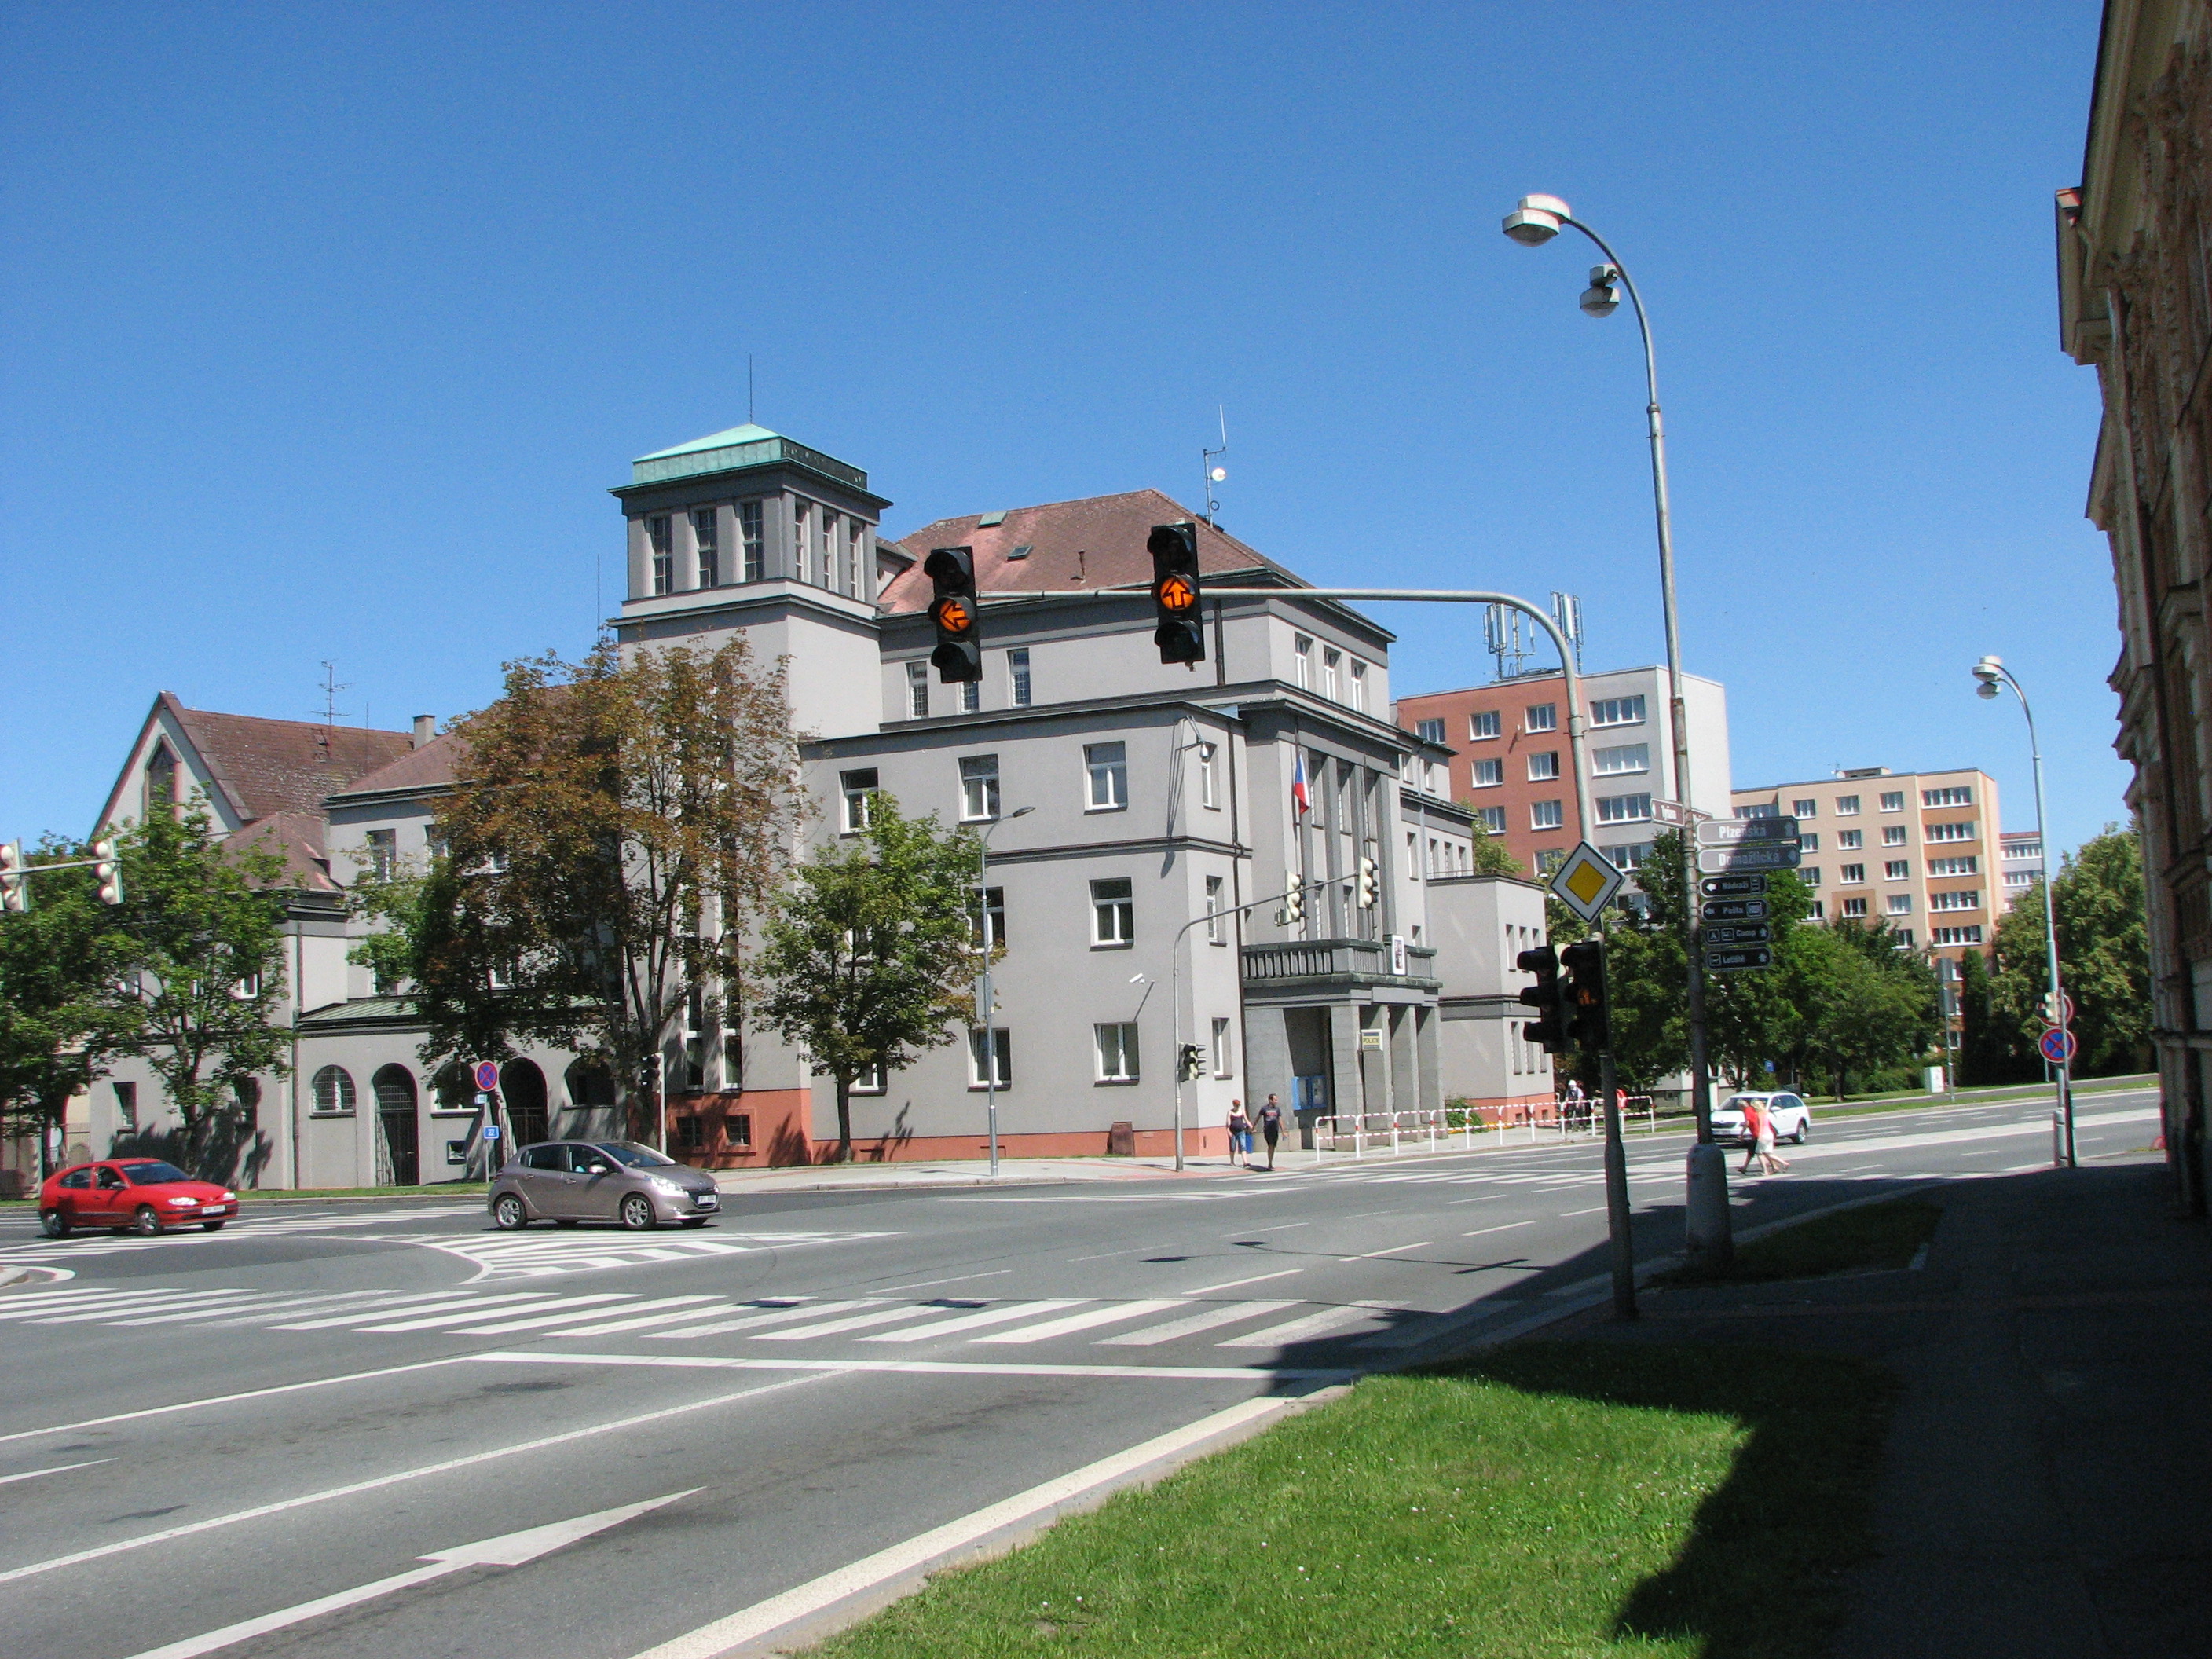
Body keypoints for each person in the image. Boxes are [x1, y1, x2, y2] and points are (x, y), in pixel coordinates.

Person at [1741, 1097, 1790, 1176]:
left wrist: (1760, 1135)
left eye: (1753, 1107)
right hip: (1770, 1134)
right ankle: (1784, 1163)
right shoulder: (1765, 1113)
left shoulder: (1759, 1114)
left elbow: (1761, 1125)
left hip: (1764, 1135)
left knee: (1759, 1153)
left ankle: (1765, 1171)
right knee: (1768, 1153)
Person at [1257, 1094, 1284, 1170]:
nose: (1276, 1101)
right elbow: (1258, 1118)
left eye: (1276, 1100)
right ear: (1270, 1100)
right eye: (1275, 1100)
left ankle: (1270, 1162)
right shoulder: (1264, 1108)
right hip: (1268, 1130)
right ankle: (1270, 1164)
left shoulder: (1277, 1109)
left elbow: (1280, 1120)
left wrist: (1283, 1131)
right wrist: (1253, 1127)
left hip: (1275, 1130)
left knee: (1273, 1146)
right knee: (1270, 1145)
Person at [1227, 1099, 1253, 1165]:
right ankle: (1232, 1161)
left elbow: (1246, 1120)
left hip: (1241, 1131)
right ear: (1234, 1105)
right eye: (1237, 1105)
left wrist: (1251, 1127)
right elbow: (1228, 1123)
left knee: (1243, 1146)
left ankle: (1245, 1162)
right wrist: (1228, 1131)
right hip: (1233, 1132)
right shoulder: (1230, 1112)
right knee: (1233, 1147)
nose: (1238, 1107)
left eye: (1239, 1105)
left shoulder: (1242, 1111)